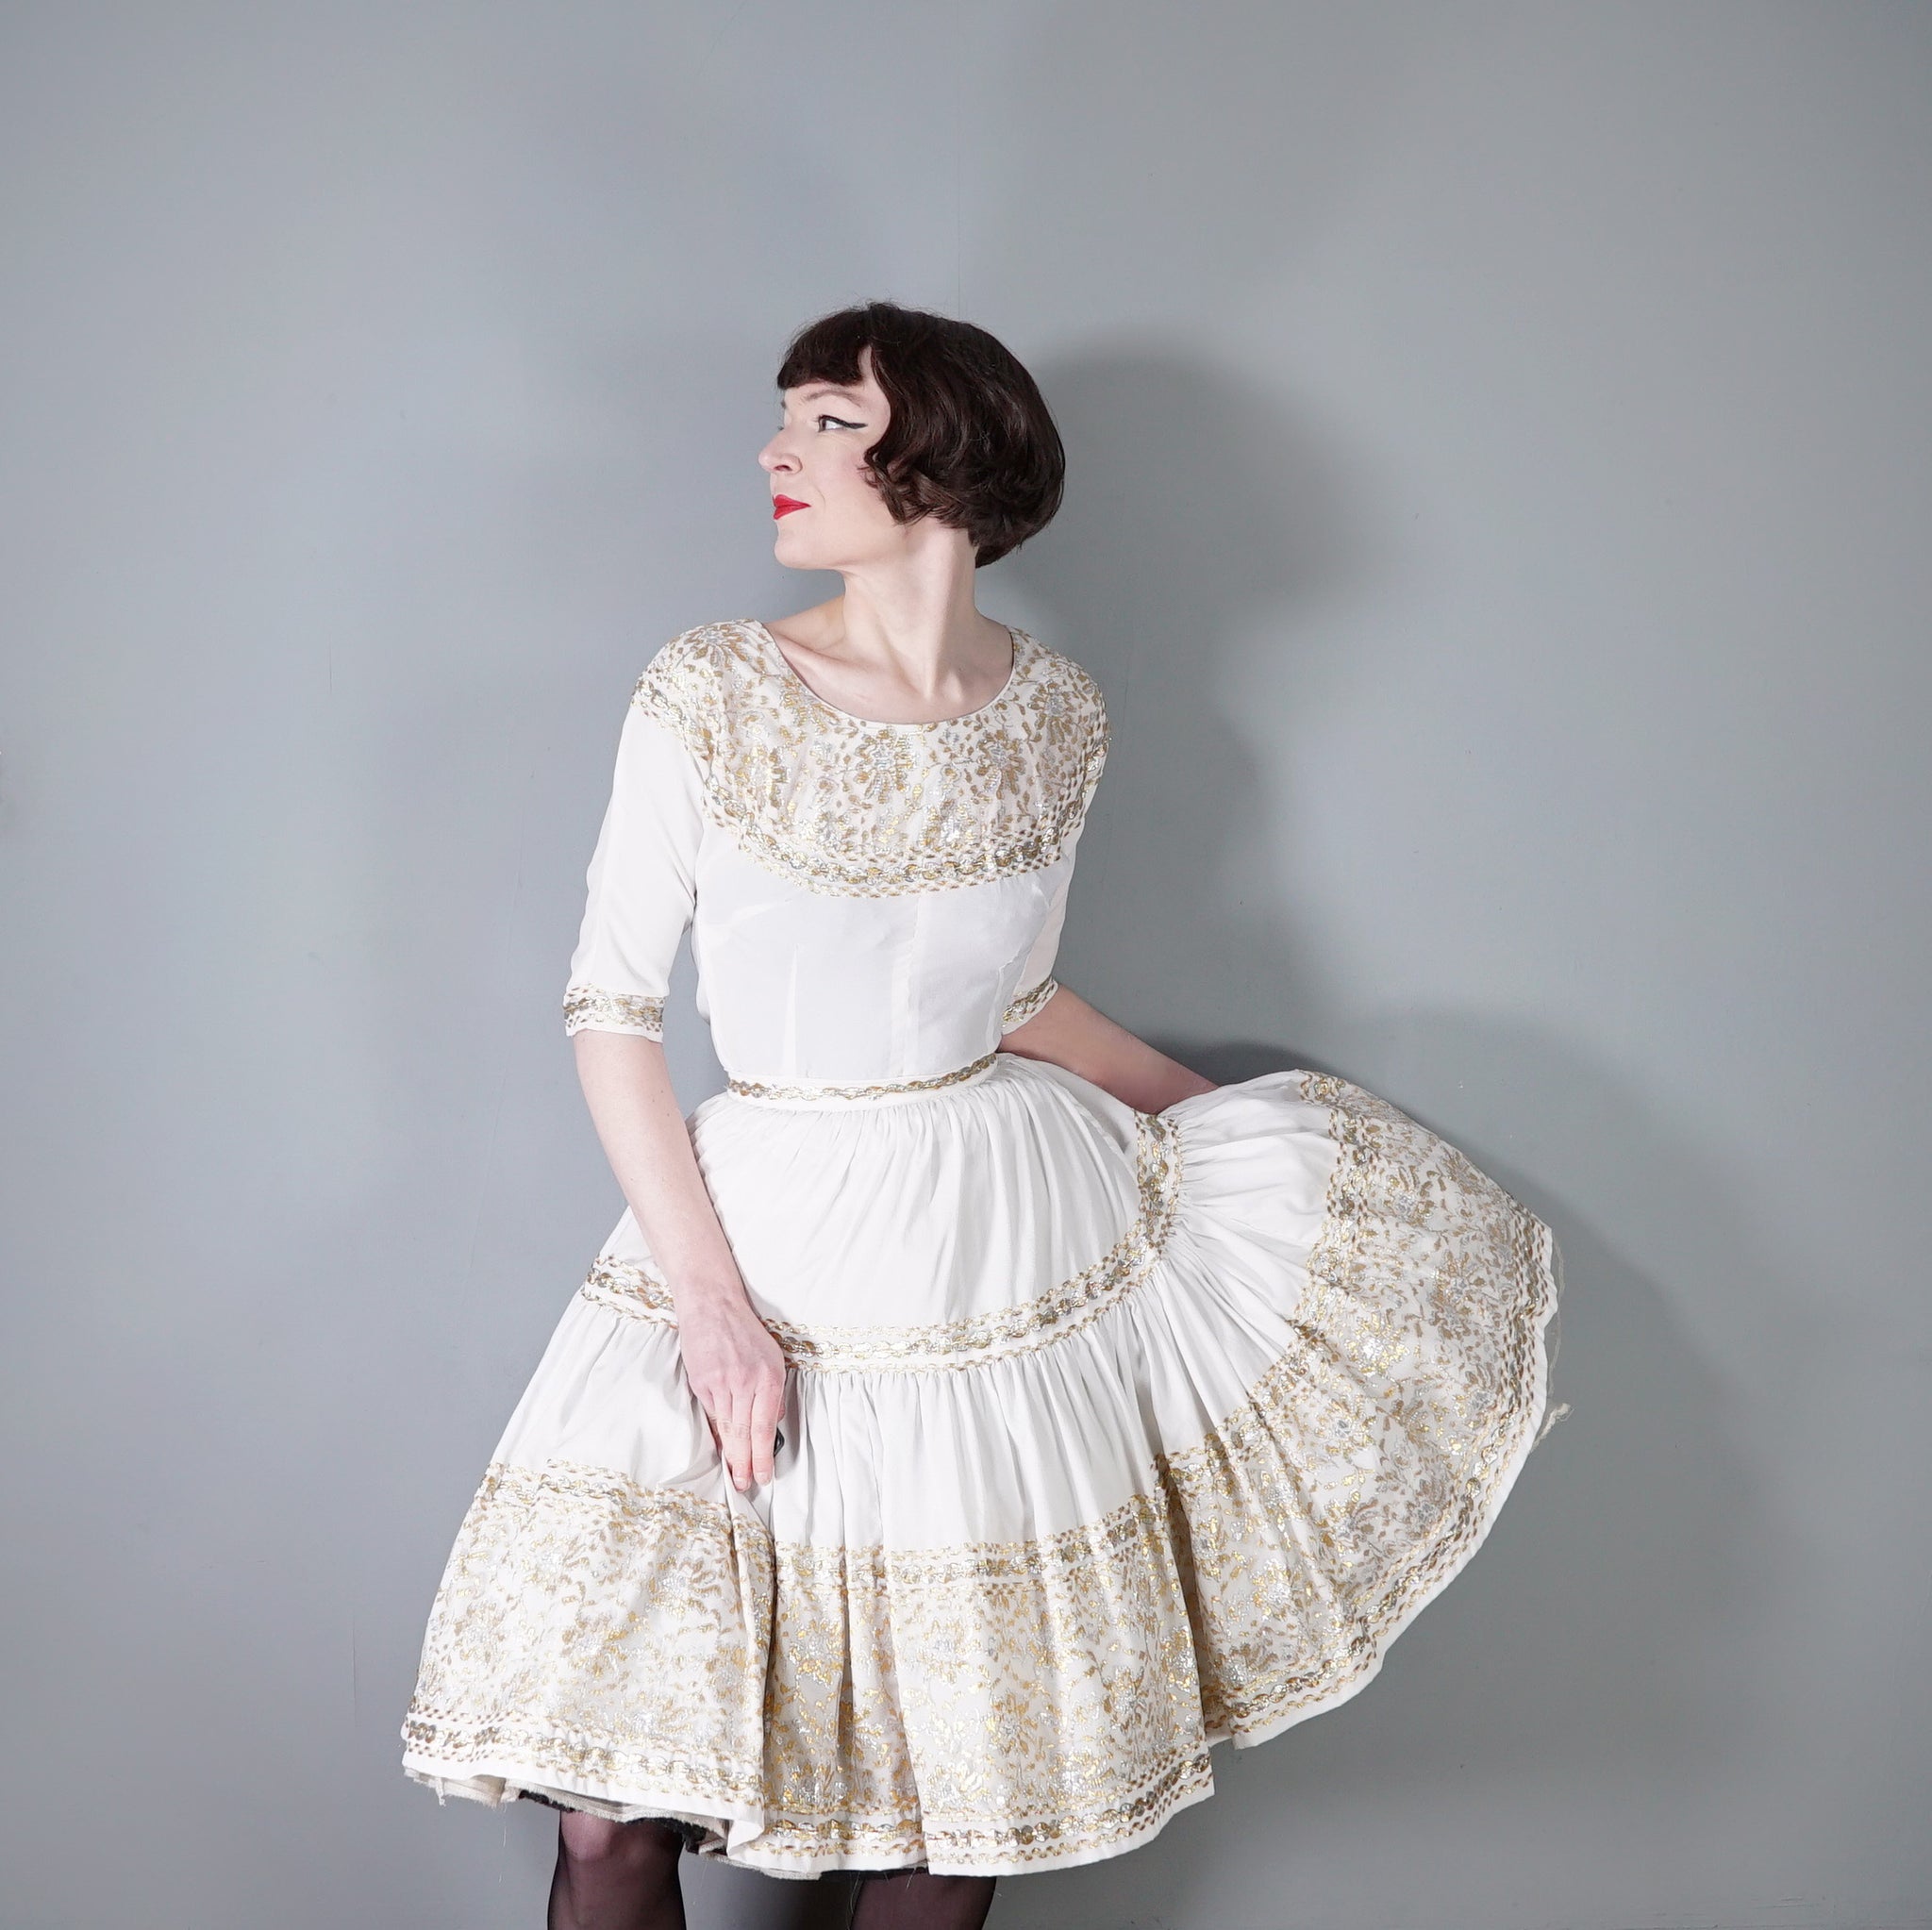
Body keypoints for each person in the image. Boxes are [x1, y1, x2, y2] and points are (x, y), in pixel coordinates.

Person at [401, 302, 1560, 1930]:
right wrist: (714, 1312)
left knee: (955, 1805)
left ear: (941, 453)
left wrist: (1233, 1134)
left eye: (825, 419)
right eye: (787, 417)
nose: (776, 450)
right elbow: (610, 1008)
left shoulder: (1057, 713)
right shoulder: (712, 688)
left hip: (992, 1235)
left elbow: (1014, 996)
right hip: (758, 1226)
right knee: (607, 1816)